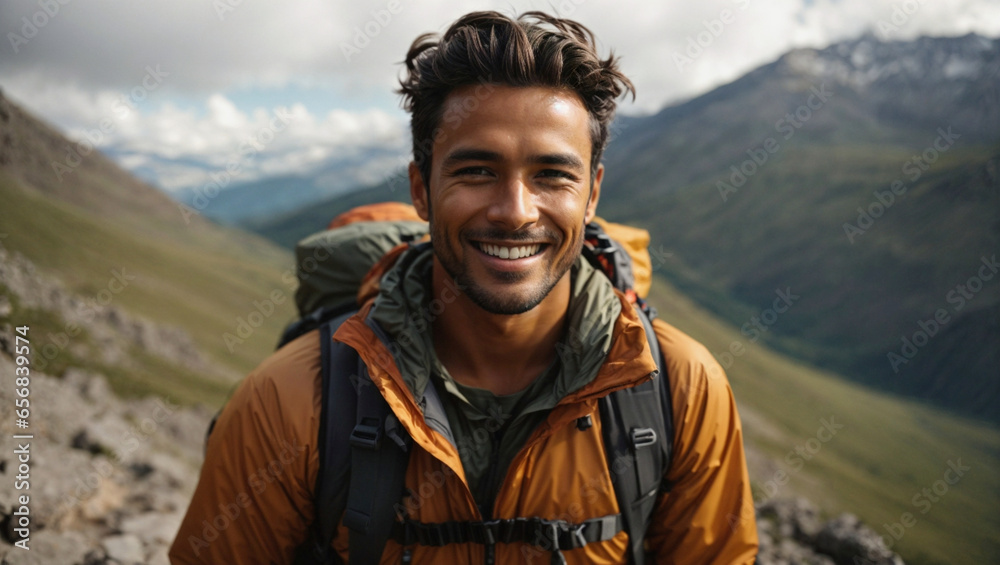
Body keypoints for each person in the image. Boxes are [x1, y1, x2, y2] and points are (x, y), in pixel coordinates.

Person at [170, 10, 758, 564]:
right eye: (476, 170)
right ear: (421, 190)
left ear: (593, 194)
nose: (515, 212)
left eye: (552, 174)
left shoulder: (680, 389)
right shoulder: (290, 401)